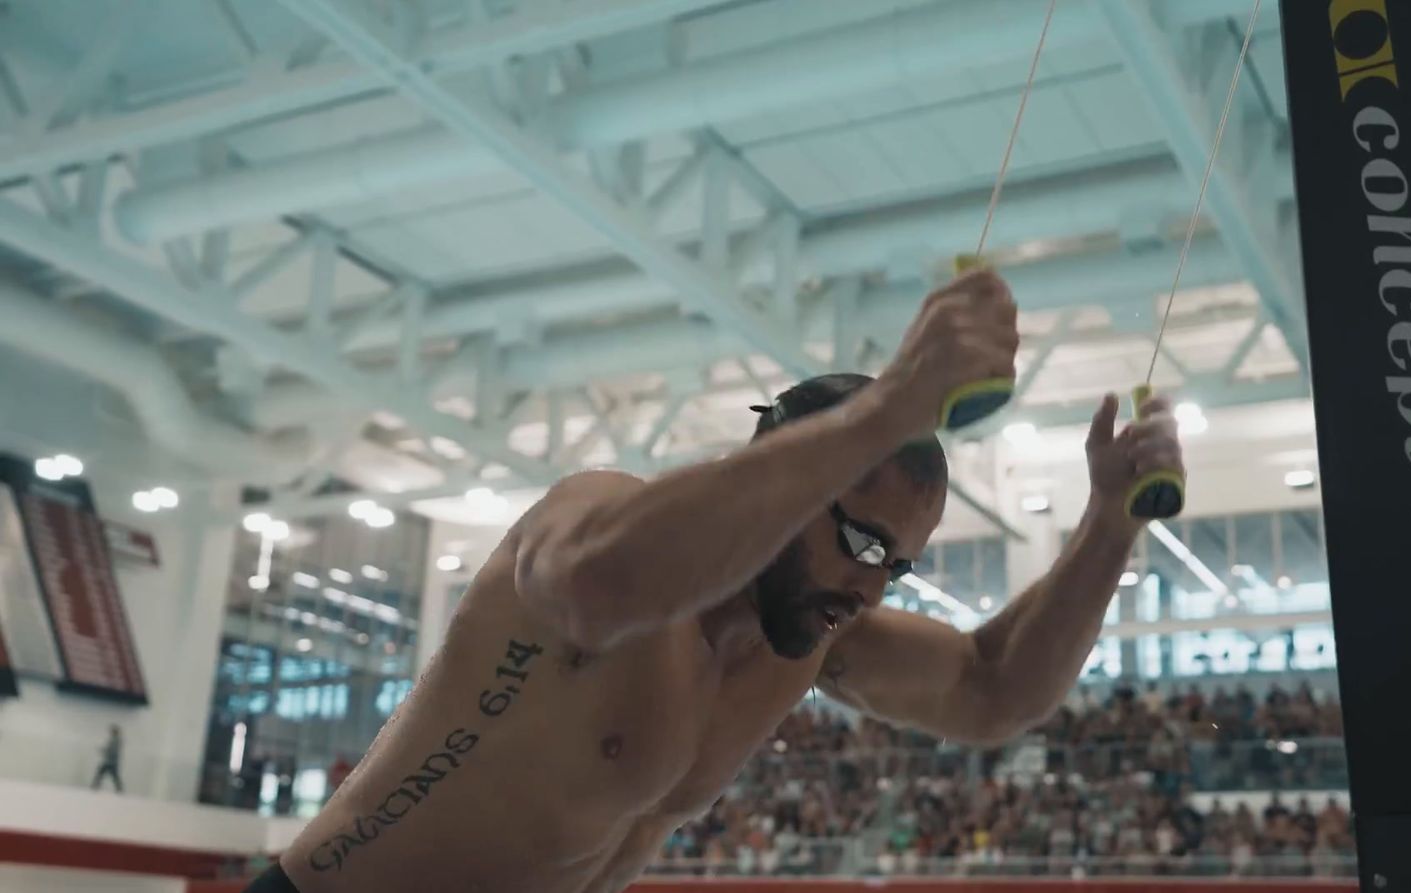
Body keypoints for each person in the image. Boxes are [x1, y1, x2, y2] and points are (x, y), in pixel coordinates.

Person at [249, 268, 1186, 893]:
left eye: (899, 566)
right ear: (793, 483)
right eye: (864, 546)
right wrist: (894, 403)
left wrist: (1109, 525)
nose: (873, 591)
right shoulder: (604, 523)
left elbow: (994, 691)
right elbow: (589, 586)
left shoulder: (816, 635)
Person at [90, 724, 122, 793]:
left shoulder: (115, 740)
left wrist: (103, 750)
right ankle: (118, 789)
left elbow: (111, 750)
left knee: (102, 774)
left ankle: (95, 786)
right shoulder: (116, 740)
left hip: (110, 762)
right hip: (111, 762)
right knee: (113, 776)